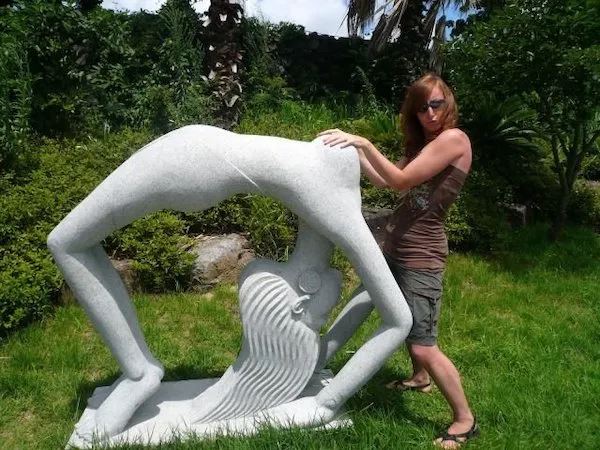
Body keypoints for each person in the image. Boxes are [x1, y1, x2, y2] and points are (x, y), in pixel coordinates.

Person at [318, 73, 477, 448]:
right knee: (387, 310)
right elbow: (384, 180)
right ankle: (419, 379)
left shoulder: (454, 139)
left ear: (448, 102)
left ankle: (464, 420)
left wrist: (364, 142)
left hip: (422, 256)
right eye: (422, 107)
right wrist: (353, 150)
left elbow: (401, 181)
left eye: (436, 104)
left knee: (422, 342)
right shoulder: (428, 145)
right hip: (395, 246)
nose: (430, 113)